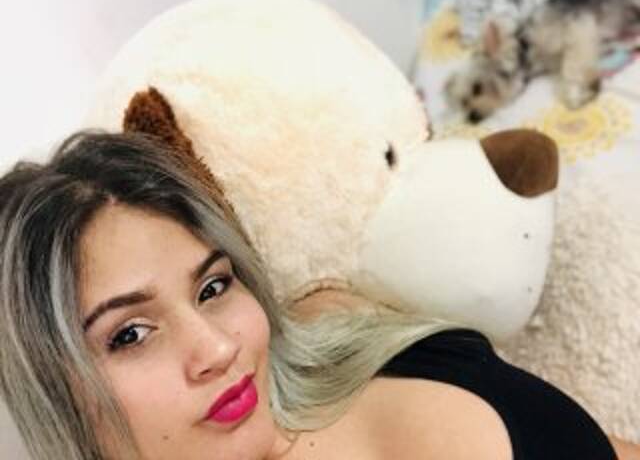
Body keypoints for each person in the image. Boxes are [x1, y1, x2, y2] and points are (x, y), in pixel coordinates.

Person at [0, 131, 636, 460]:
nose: (218, 348)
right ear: (54, 397)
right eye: (131, 334)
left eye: (213, 287)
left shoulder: (345, 333)